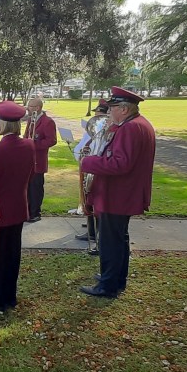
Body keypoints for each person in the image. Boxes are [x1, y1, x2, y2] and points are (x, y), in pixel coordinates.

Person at [79, 87, 156, 299]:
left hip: (117, 195)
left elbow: (120, 164)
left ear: (124, 109)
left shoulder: (130, 128)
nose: (109, 112)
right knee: (119, 239)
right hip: (123, 193)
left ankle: (108, 285)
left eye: (112, 108)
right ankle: (115, 278)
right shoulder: (135, 124)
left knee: (110, 241)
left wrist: (88, 162)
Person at [0, 100, 35, 311]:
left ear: (1, 124)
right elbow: (31, 174)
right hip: (18, 207)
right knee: (12, 254)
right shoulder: (29, 145)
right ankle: (9, 296)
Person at [74, 103, 110, 254]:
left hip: (99, 173)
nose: (97, 119)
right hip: (90, 170)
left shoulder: (109, 134)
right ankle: (91, 233)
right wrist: (84, 152)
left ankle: (99, 239)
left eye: (101, 115)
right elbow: (85, 147)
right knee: (88, 203)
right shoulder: (92, 132)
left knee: (99, 209)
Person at [25, 97, 58, 223]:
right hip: (29, 159)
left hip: (38, 159)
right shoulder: (31, 119)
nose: (28, 108)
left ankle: (35, 212)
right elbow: (27, 135)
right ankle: (28, 211)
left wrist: (34, 145)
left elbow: (52, 140)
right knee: (28, 187)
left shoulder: (47, 122)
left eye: (30, 106)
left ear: (38, 108)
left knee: (36, 187)